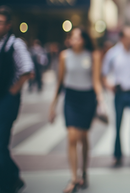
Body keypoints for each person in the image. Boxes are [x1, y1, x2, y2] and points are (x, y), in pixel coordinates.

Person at [0, 6, 33, 193]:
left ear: (9, 25)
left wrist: (13, 91)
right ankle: (13, 172)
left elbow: (28, 69)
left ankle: (5, 187)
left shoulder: (15, 44)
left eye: (0, 22)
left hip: (7, 100)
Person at [48, 28, 104, 193]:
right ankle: (74, 178)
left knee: (84, 137)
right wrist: (53, 106)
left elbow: (96, 81)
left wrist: (101, 101)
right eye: (73, 38)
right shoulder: (64, 56)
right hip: (71, 98)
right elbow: (59, 82)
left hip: (87, 98)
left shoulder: (93, 55)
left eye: (78, 38)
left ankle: (84, 171)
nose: (75, 41)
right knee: (73, 136)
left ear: (85, 40)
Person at [102, 27, 130, 166]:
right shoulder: (113, 54)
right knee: (118, 125)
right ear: (122, 38)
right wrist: (109, 86)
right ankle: (117, 154)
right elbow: (103, 74)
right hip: (119, 93)